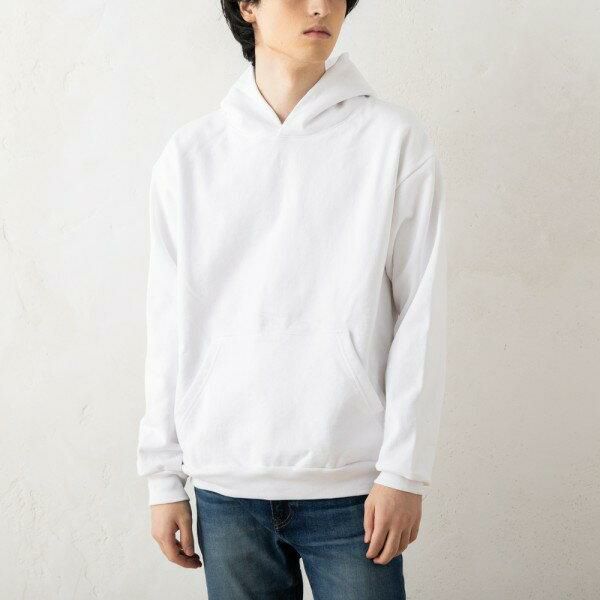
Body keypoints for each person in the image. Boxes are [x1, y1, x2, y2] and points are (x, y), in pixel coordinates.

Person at [136, 1, 447, 598]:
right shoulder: (191, 155)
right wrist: (162, 479)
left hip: (354, 491)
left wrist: (405, 472)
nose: (320, 6)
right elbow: (168, 325)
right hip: (226, 489)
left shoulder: (393, 140)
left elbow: (421, 316)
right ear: (247, 5)